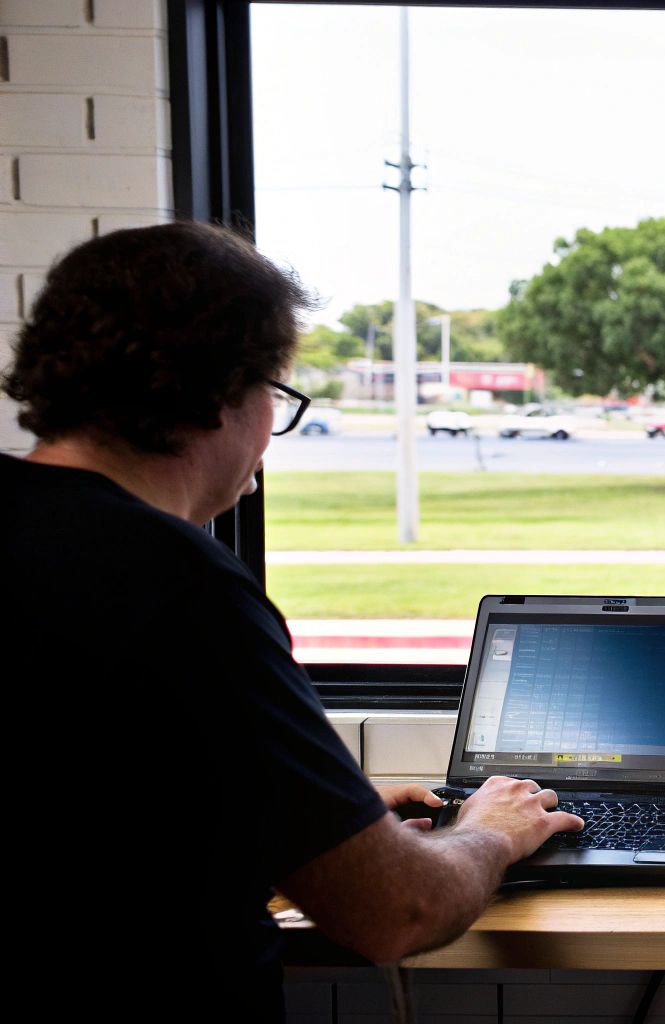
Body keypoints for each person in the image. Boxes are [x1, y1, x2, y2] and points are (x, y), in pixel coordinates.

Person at [0, 222, 583, 1018]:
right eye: (276, 393)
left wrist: (314, 825)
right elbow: (396, 913)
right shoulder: (178, 587)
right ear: (219, 390)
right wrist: (492, 830)